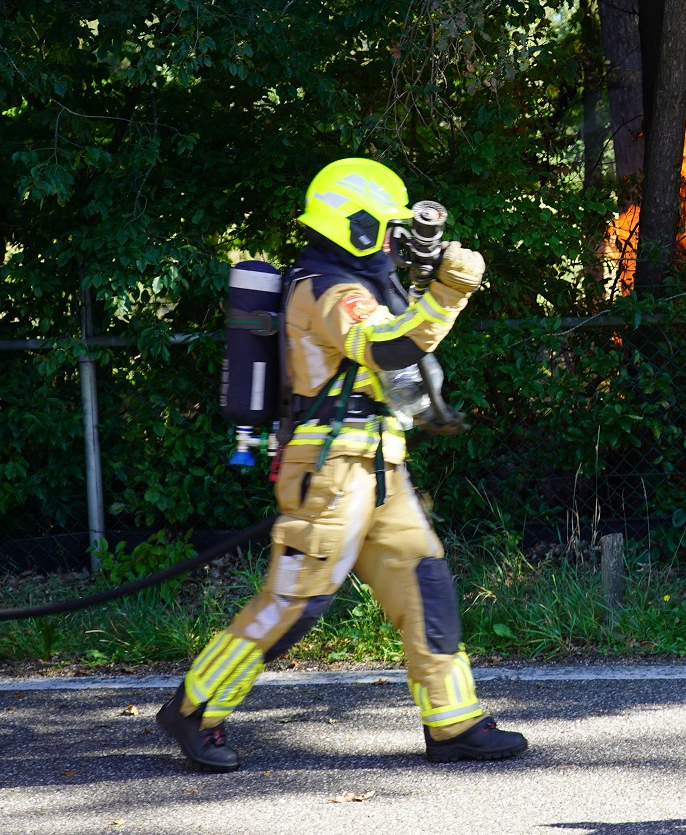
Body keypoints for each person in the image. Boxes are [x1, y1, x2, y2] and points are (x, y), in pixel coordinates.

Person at [156, 159, 528, 772]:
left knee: (424, 585)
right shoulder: (327, 288)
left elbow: (401, 359)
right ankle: (195, 708)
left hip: (380, 465)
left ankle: (452, 721)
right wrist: (449, 292)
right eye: (385, 229)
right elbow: (386, 346)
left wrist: (429, 293)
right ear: (354, 226)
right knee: (296, 602)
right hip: (330, 470)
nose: (393, 241)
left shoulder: (360, 285)